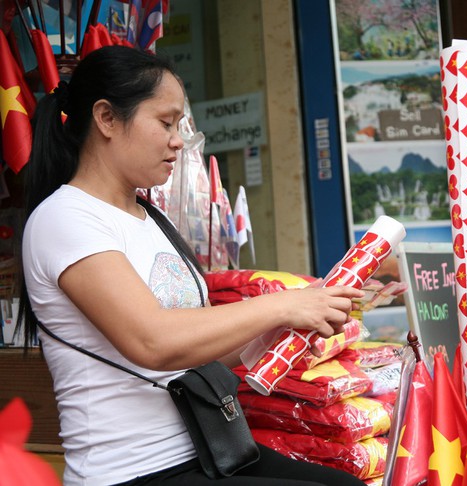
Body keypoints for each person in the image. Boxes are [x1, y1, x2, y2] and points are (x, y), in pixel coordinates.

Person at [20, 45, 366, 486]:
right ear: (106, 118)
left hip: (209, 448)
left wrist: (287, 330)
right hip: (133, 471)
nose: (179, 140)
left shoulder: (150, 217)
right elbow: (152, 342)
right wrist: (282, 307)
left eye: (179, 125)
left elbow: (197, 347)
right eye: (165, 123)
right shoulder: (65, 218)